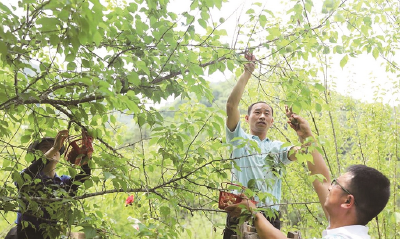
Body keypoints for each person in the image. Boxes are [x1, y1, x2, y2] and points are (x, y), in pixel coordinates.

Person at [225, 113, 391, 239]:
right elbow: (321, 179)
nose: (330, 186)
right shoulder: (348, 226)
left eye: (336, 184)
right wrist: (306, 136)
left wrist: (253, 212)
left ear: (347, 201)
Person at [224, 53, 302, 238]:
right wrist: (247, 73)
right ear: (247, 118)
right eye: (257, 112)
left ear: (272, 121)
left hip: (270, 214)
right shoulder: (239, 140)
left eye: (267, 113)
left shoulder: (278, 147)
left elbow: (302, 153)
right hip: (240, 209)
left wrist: (301, 132)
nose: (262, 116)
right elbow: (230, 106)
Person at [5, 130, 92, 239]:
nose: (53, 149)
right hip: (24, 234)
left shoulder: (63, 182)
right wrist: (54, 148)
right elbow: (23, 178)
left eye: (56, 148)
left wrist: (85, 155)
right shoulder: (28, 176)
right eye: (46, 147)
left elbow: (85, 175)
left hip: (48, 235)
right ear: (36, 155)